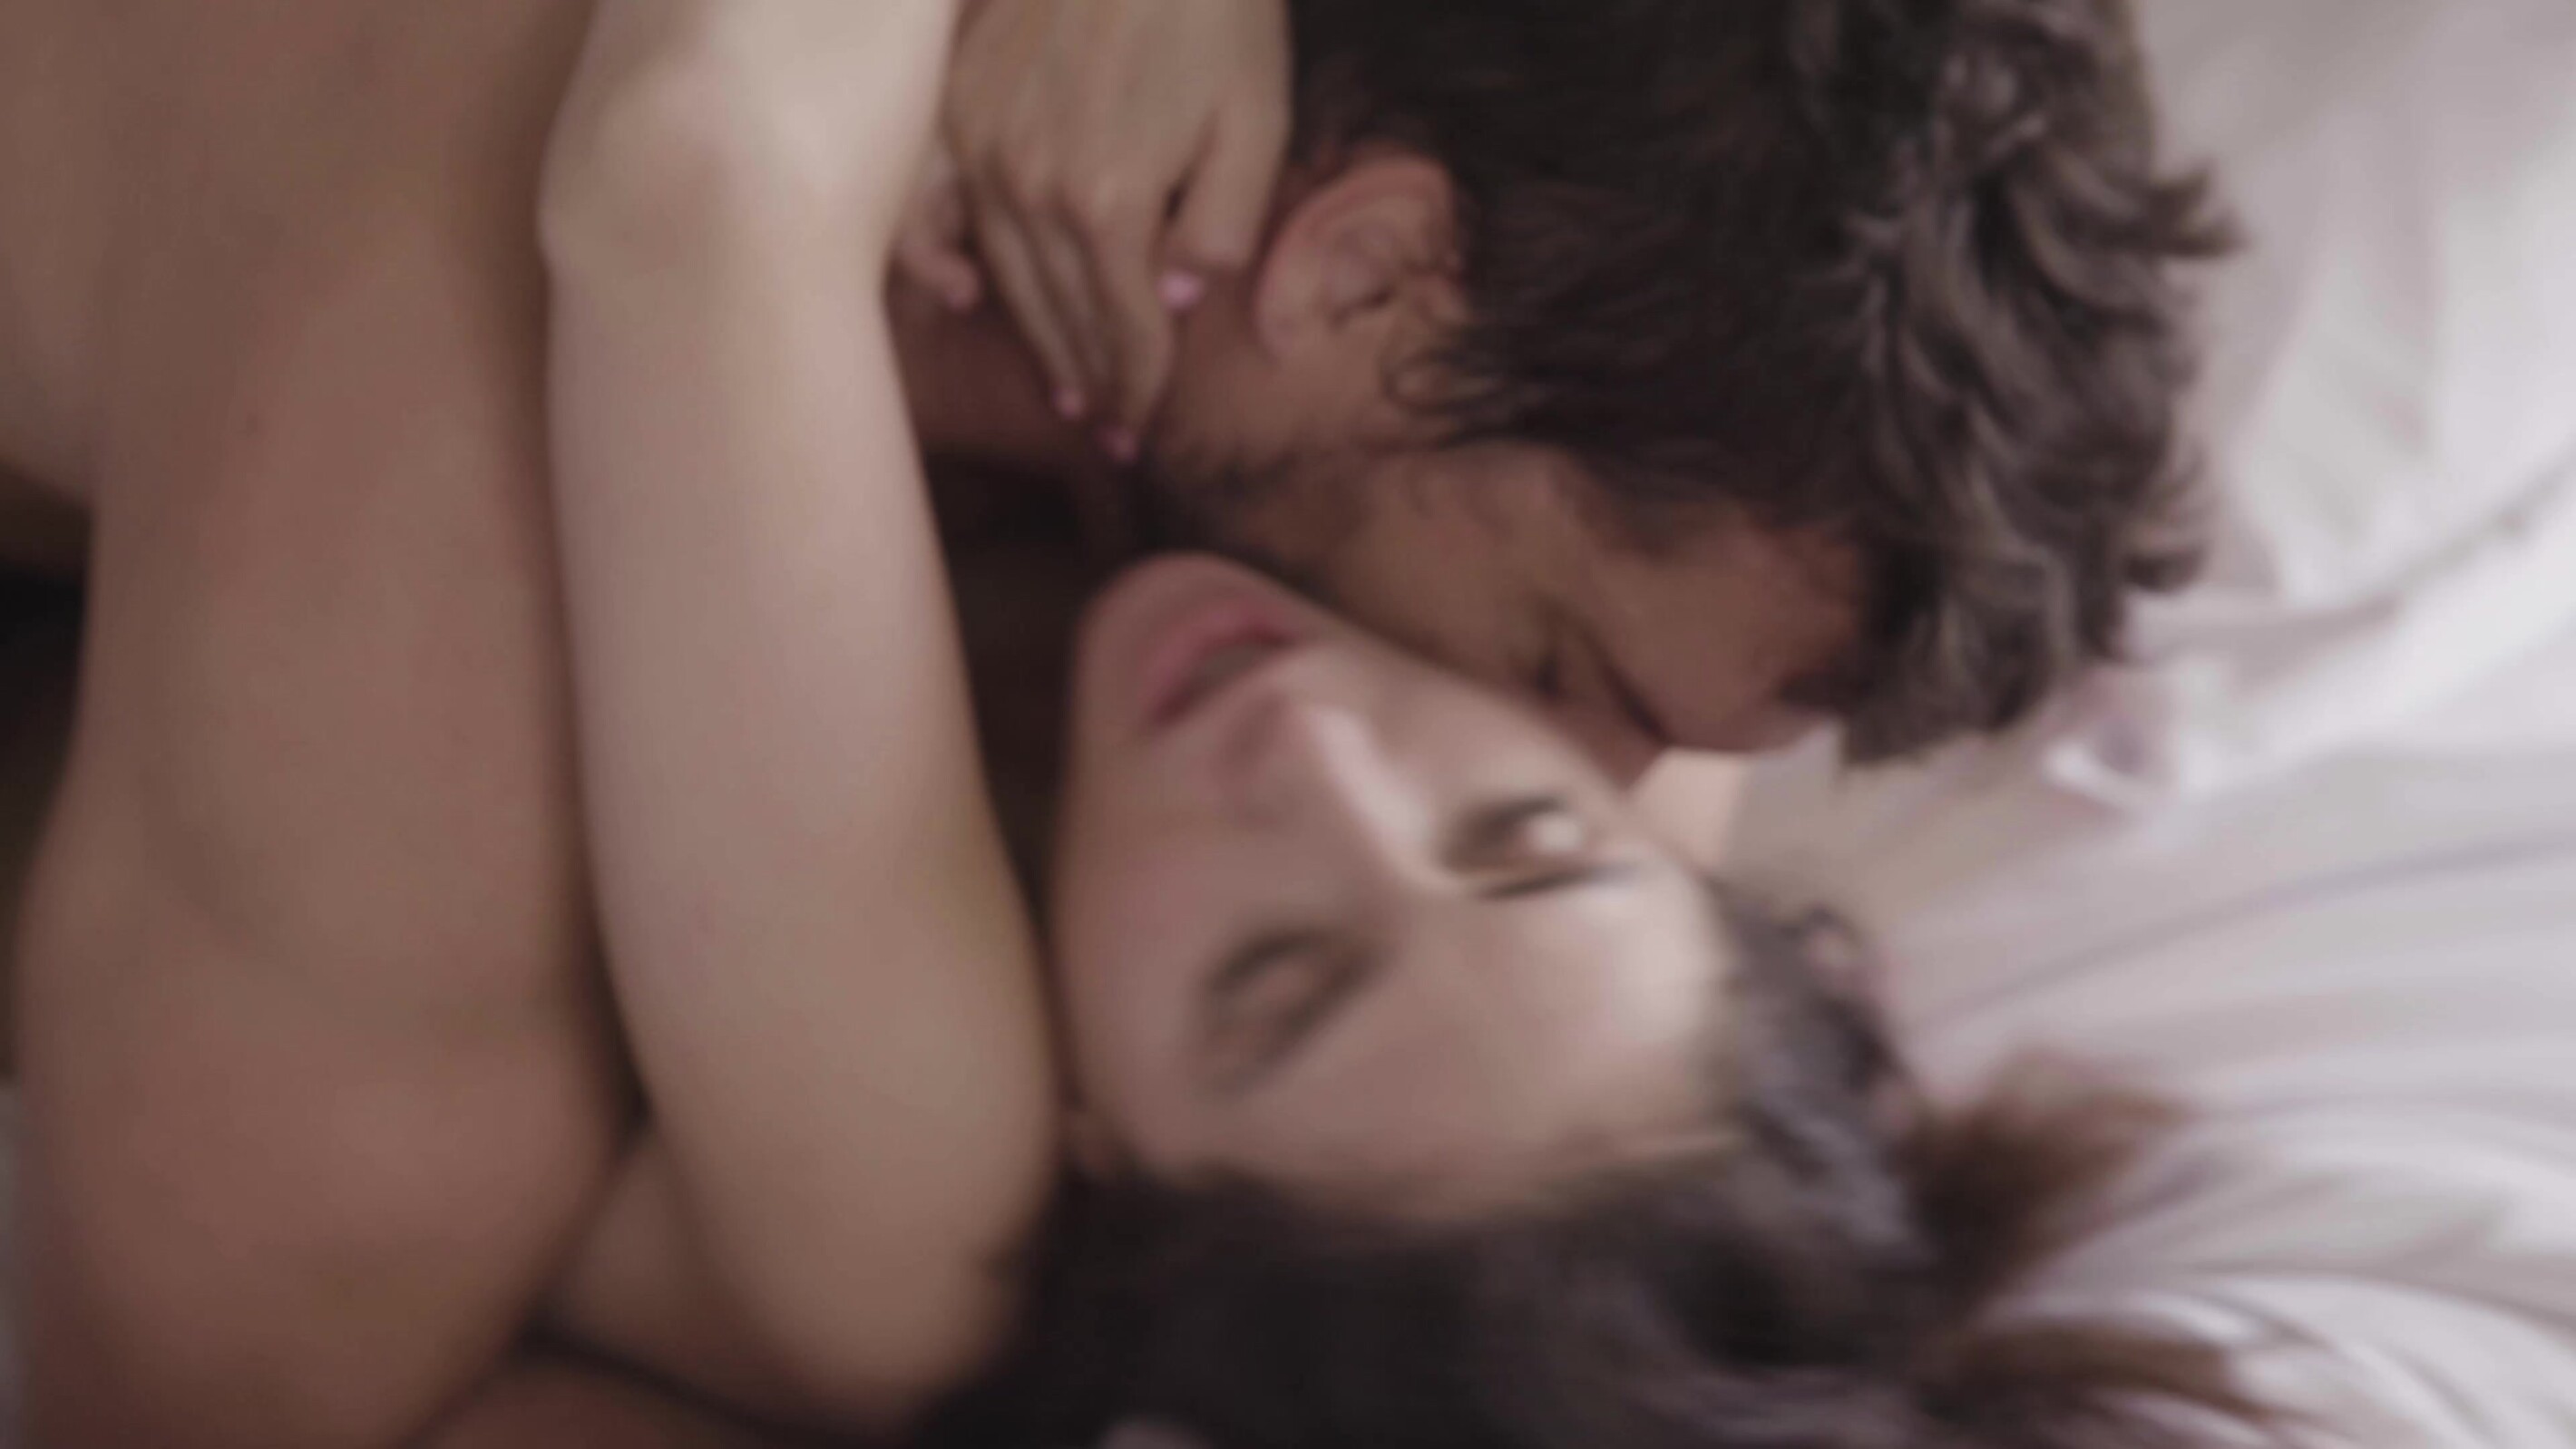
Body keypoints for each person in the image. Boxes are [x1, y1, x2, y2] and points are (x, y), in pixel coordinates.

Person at [0, 0, 2222, 1442]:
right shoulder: (431, 636)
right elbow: (206, 1382)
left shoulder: (1440, 410)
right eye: (1562, 683)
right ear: (1361, 275)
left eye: (1564, 819)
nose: (1353, 757)